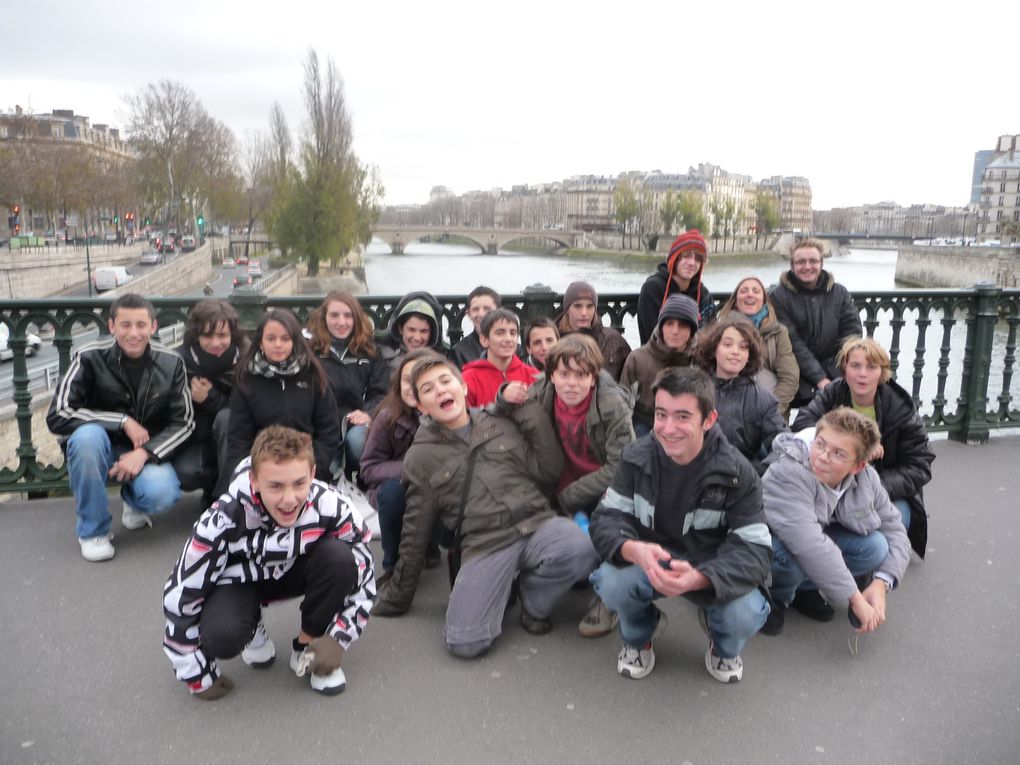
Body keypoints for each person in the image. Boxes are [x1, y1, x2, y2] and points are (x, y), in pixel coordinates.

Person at [372, 356, 600, 659]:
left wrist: (523, 408)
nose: (440, 390)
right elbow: (416, 527)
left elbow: (549, 469)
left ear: (463, 387)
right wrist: (398, 594)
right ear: (422, 407)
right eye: (428, 389)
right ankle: (501, 585)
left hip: (535, 523)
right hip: (485, 543)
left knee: (584, 546)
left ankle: (533, 602)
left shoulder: (501, 423)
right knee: (464, 643)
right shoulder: (420, 457)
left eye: (445, 381)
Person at [163, 425, 375, 699]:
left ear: (312, 474)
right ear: (254, 480)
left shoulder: (333, 505)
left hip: (298, 572)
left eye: (299, 483)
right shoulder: (222, 518)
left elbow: (364, 574)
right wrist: (197, 675)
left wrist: (338, 637)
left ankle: (309, 643)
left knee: (341, 558)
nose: (289, 499)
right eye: (275, 486)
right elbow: (182, 593)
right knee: (221, 636)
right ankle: (251, 625)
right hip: (241, 581)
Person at [589, 367, 771, 683]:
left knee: (746, 611)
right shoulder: (636, 456)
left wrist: (701, 578)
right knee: (611, 581)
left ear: (709, 420)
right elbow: (606, 517)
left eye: (683, 417)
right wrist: (633, 550)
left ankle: (722, 643)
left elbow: (755, 551)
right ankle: (639, 635)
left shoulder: (739, 473)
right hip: (652, 559)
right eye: (661, 415)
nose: (668, 428)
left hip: (710, 565)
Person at [47, 293, 194, 562]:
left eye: (141, 325)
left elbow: (183, 422)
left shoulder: (171, 363)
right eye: (125, 325)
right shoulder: (88, 356)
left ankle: (133, 499)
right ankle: (93, 531)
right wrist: (122, 421)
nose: (133, 333)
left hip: (142, 450)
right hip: (98, 446)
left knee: (162, 492)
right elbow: (57, 415)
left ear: (153, 327)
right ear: (112, 326)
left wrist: (145, 453)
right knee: (87, 439)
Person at [761, 408, 910, 635]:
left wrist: (882, 583)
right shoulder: (787, 472)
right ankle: (773, 597)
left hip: (815, 541)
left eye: (838, 454)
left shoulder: (866, 478)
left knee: (876, 546)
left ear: (858, 466)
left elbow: (895, 529)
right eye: (820, 444)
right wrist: (856, 598)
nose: (822, 456)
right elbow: (809, 545)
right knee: (793, 559)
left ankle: (803, 590)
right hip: (770, 544)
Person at [529, 334, 635, 638]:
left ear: (593, 378)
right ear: (551, 375)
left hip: (605, 484)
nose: (571, 383)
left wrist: (569, 497)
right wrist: (501, 395)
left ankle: (608, 599)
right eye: (564, 374)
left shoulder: (612, 404)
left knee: (612, 525)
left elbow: (622, 465)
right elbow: (502, 418)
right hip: (560, 483)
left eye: (581, 375)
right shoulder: (539, 394)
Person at [792, 337, 934, 557]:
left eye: (871, 367)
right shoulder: (833, 393)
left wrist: (871, 488)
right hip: (834, 482)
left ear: (882, 372)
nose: (862, 374)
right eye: (855, 365)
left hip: (885, 486)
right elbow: (802, 423)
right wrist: (852, 441)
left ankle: (875, 573)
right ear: (844, 369)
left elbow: (920, 465)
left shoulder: (901, 408)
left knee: (894, 520)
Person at [223, 309, 340, 489]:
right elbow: (239, 438)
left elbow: (328, 430)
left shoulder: (313, 376)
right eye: (271, 338)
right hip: (264, 469)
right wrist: (249, 476)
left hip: (308, 467)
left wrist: (314, 468)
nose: (278, 344)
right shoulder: (247, 380)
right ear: (260, 342)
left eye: (285, 339)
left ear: (294, 341)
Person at [360, 348, 445, 581]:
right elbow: (368, 467)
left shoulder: (448, 414)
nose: (412, 386)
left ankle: (434, 545)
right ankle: (393, 563)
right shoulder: (387, 416)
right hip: (399, 485)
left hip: (440, 486)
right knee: (392, 494)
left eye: (421, 379)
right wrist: (413, 469)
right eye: (408, 379)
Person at [769, 238, 863, 408]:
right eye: (801, 262)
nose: (807, 266)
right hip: (798, 371)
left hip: (836, 367)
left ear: (821, 264)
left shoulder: (839, 292)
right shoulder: (779, 296)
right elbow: (792, 342)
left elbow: (852, 334)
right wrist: (820, 379)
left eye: (813, 261)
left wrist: (839, 371)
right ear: (792, 266)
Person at [306, 290, 389, 476]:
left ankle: (361, 479)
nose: (341, 322)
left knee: (359, 442)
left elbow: (381, 392)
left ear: (356, 319)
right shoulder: (310, 351)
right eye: (334, 315)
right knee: (322, 468)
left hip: (353, 420)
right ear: (324, 318)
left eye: (348, 316)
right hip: (320, 423)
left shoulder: (369, 351)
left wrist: (368, 413)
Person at [172, 299, 246, 503]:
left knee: (227, 417)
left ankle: (226, 500)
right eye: (207, 335)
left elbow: (249, 411)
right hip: (196, 439)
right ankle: (212, 487)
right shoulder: (179, 361)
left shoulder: (246, 360)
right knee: (187, 472)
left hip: (236, 440)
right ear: (196, 335)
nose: (215, 343)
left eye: (222, 335)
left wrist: (209, 399)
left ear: (233, 334)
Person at [695, 315, 787, 473]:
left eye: (743, 347)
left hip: (741, 482)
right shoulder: (691, 390)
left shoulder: (763, 400)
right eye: (728, 344)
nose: (735, 352)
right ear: (714, 349)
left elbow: (784, 446)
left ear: (749, 356)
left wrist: (753, 474)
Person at [716, 276, 799, 419]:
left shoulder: (778, 332)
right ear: (735, 300)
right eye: (744, 291)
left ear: (764, 300)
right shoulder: (718, 330)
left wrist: (771, 411)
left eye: (756, 291)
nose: (750, 294)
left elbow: (789, 377)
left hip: (769, 408)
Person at [621, 293, 699, 436]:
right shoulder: (638, 359)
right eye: (669, 324)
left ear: (692, 331)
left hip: (686, 425)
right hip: (645, 425)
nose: (675, 331)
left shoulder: (700, 360)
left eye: (682, 325)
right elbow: (624, 407)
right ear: (661, 326)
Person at [636, 229, 715, 345]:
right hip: (658, 359)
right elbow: (652, 336)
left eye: (698, 258)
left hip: (696, 360)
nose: (692, 263)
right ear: (674, 258)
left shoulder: (703, 294)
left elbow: (713, 335)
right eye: (686, 256)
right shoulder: (653, 288)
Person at [461, 308, 539, 407]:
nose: (508, 339)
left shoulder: (533, 376)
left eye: (513, 333)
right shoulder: (468, 379)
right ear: (484, 340)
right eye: (500, 333)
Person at [554, 281, 631, 382]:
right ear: (567, 309)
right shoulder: (554, 340)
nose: (584, 313)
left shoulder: (613, 339)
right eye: (578, 306)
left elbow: (630, 382)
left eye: (590, 306)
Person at [383, 290, 446, 373]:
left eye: (424, 331)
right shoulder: (381, 357)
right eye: (411, 330)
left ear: (432, 333)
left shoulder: (443, 362)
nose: (417, 337)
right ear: (400, 329)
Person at [451, 286, 500, 367]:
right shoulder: (459, 352)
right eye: (475, 309)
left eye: (487, 309)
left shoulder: (512, 347)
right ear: (468, 314)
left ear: (499, 311)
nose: (481, 314)